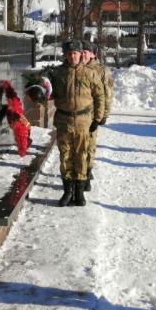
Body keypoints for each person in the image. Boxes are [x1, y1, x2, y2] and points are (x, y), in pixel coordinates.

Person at [49, 39, 105, 206]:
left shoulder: (90, 73)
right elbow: (50, 94)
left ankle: (79, 192)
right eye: (69, 54)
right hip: (64, 120)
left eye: (75, 53)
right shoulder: (58, 73)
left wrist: (98, 118)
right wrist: (40, 93)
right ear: (65, 55)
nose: (72, 56)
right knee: (65, 155)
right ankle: (67, 191)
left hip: (83, 121)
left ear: (81, 54)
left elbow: (99, 96)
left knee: (81, 155)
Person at [82, 40, 113, 191]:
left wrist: (104, 114)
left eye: (85, 52)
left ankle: (87, 173)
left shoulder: (101, 70)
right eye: (81, 52)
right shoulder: (77, 66)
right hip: (78, 114)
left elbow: (107, 94)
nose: (82, 55)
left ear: (93, 54)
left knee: (90, 144)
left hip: (93, 113)